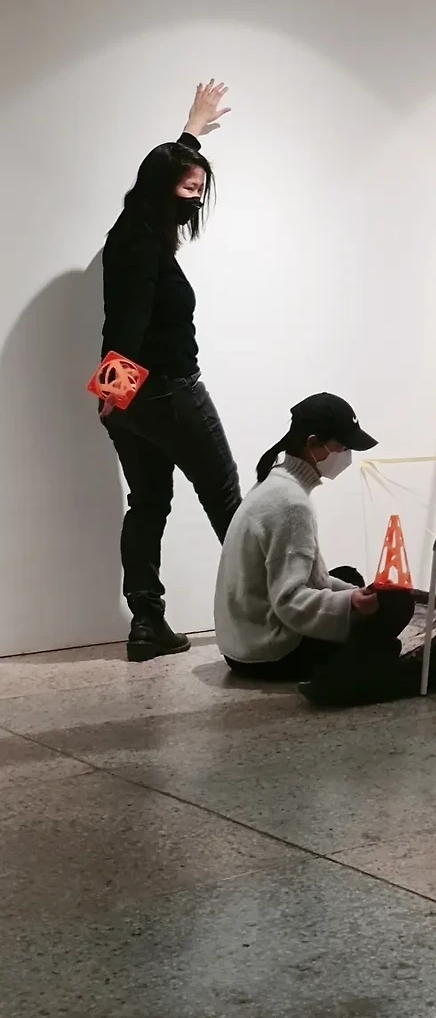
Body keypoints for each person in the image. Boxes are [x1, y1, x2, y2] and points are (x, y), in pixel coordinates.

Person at [100, 82, 243, 661]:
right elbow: (130, 321)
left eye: (201, 189)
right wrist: (116, 387)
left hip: (128, 400)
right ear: (163, 188)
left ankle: (146, 623)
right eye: (188, 190)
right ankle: (266, 615)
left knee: (149, 501)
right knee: (228, 499)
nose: (196, 200)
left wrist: (193, 130)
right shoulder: (140, 244)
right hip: (163, 389)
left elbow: (167, 170)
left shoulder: (134, 227)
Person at [214, 393, 414, 701]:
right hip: (267, 652)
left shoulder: (274, 483)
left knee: (349, 578)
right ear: (313, 444)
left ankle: (365, 650)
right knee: (396, 606)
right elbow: (289, 600)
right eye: (342, 447)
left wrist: (351, 594)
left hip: (240, 642)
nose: (346, 456)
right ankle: (347, 670)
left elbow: (302, 577)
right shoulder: (291, 504)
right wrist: (351, 602)